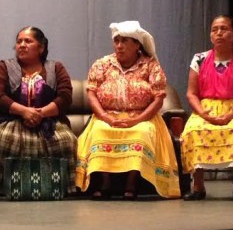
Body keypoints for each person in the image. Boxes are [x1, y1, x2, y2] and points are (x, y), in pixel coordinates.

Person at [76, 21, 181, 199]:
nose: (119, 46)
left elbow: (158, 99)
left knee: (141, 133)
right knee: (100, 131)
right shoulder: (102, 64)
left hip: (143, 117)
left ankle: (132, 183)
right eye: (116, 41)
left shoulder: (150, 66)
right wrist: (104, 117)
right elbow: (91, 93)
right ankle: (105, 182)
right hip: (107, 116)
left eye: (124, 41)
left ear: (137, 45)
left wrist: (137, 120)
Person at [0, 26, 77, 195]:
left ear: (41, 47)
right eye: (19, 41)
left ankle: (63, 189)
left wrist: (40, 113)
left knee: (66, 140)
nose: (22, 45)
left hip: (49, 122)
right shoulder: (5, 66)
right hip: (13, 120)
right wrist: (23, 112)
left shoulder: (56, 68)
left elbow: (65, 97)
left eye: (28, 41)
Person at [181, 15, 233, 201]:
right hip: (206, 108)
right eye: (215, 29)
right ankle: (198, 186)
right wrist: (202, 112)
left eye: (224, 29)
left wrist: (231, 115)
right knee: (193, 129)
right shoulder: (199, 59)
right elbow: (191, 93)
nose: (219, 33)